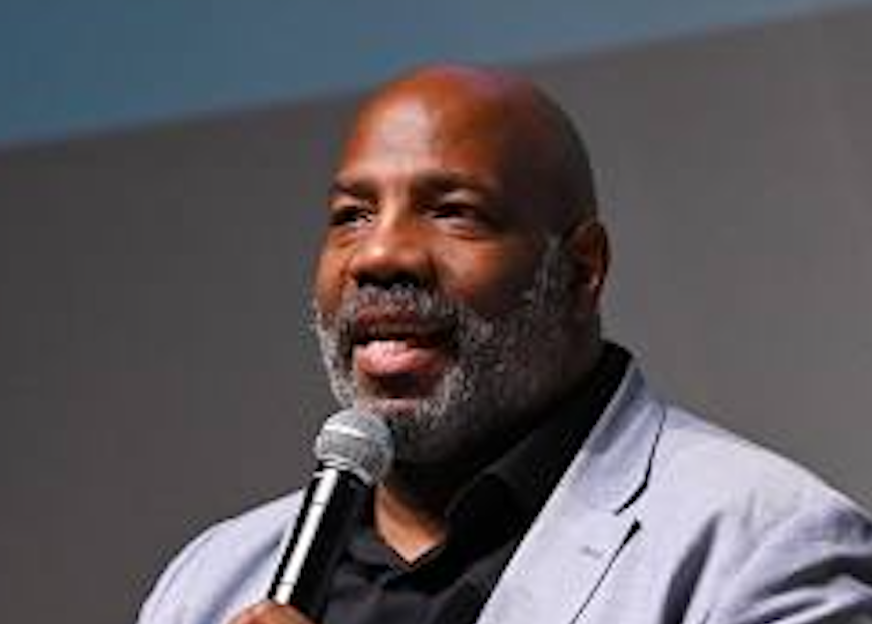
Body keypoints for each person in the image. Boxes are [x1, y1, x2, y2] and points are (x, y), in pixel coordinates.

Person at [137, 64, 872, 624]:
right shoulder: (210, 583)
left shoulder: (770, 543)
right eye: (352, 215)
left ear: (581, 270)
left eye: (452, 212)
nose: (379, 255)